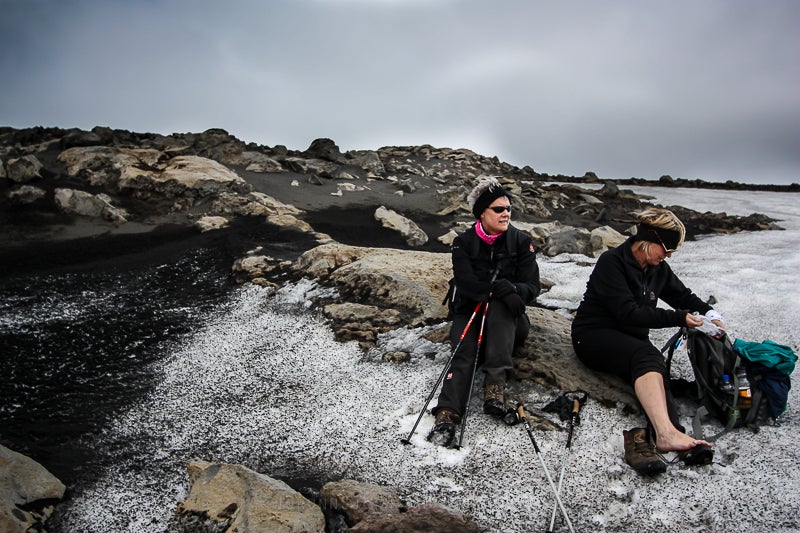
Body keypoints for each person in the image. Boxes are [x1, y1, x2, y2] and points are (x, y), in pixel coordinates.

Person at [571, 207, 725, 475]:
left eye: (671, 252)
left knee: (656, 369)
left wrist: (709, 314)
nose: (667, 256)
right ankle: (666, 434)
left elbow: (682, 296)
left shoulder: (658, 269)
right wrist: (680, 318)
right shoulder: (612, 262)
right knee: (646, 357)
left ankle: (669, 434)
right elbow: (627, 312)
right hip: (593, 336)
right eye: (665, 249)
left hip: (630, 339)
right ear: (647, 239)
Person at [428, 176, 541, 447]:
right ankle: (448, 412)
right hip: (471, 314)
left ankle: (495, 386)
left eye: (508, 208)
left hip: (511, 324)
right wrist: (498, 290)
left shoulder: (521, 241)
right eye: (499, 209)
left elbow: (533, 287)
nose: (506, 214)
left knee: (501, 306)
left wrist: (511, 291)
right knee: (464, 351)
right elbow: (466, 284)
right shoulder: (463, 243)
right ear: (482, 213)